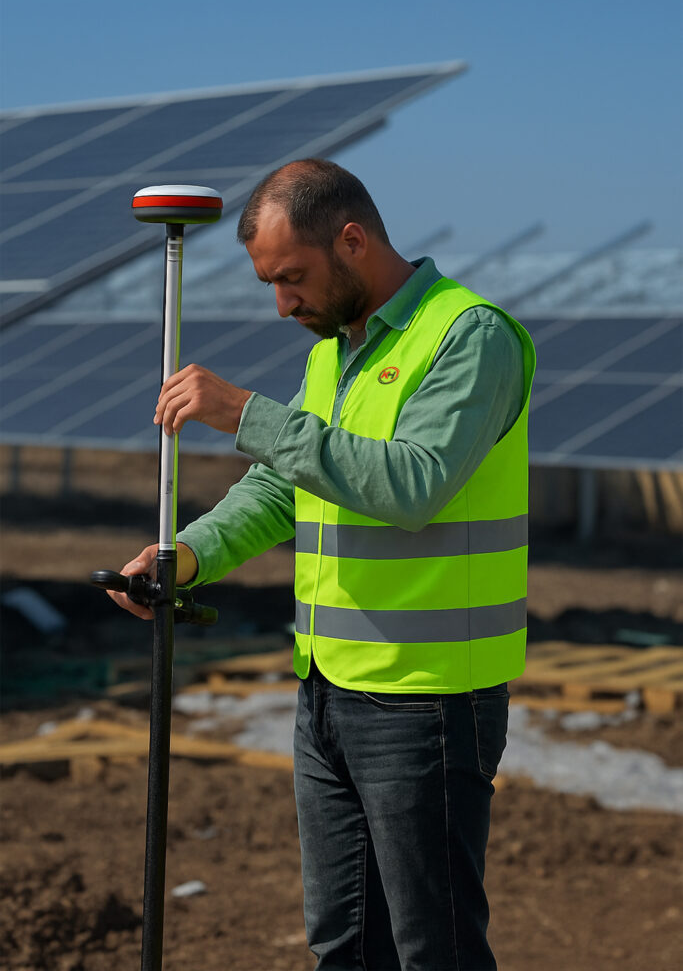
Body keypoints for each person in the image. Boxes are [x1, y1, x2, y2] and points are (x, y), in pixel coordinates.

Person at [109, 158, 536, 971]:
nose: (283, 304)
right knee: (342, 943)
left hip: (427, 699)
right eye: (270, 283)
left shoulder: (467, 335)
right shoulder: (331, 354)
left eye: (293, 277)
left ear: (352, 240)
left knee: (431, 949)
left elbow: (413, 484)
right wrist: (188, 557)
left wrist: (242, 412)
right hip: (328, 689)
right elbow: (280, 488)